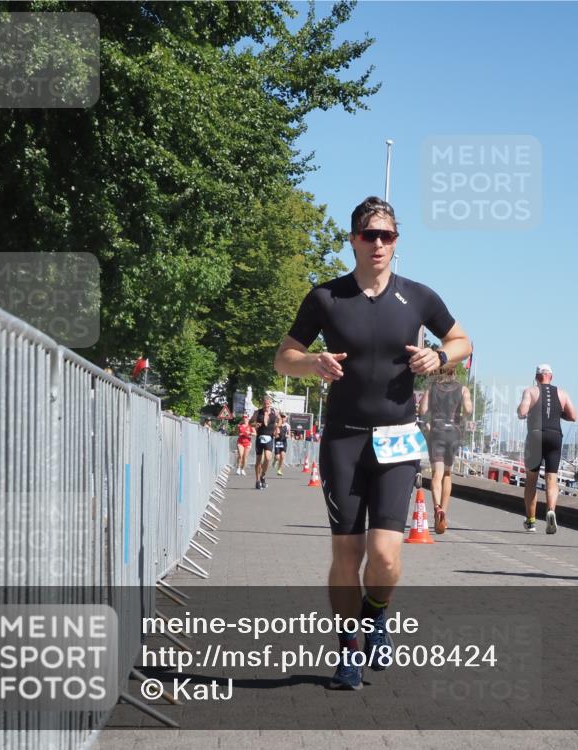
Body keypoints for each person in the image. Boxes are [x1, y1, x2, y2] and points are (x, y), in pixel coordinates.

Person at [274, 196, 471, 690]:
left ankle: (377, 613)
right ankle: (348, 653)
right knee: (347, 553)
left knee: (384, 554)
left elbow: (463, 341)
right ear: (354, 240)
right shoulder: (326, 297)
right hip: (343, 440)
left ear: (396, 242)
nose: (378, 243)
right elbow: (283, 357)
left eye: (386, 235)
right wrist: (311, 363)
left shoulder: (419, 297)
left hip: (398, 441)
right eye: (369, 234)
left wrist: (439, 356)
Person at [517, 364, 577, 534]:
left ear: (537, 377)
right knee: (552, 479)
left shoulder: (531, 391)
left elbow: (522, 411)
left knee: (531, 481)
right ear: (551, 377)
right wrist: (559, 414)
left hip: (536, 436)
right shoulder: (562, 393)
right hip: (554, 436)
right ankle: (551, 510)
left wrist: (521, 411)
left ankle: (531, 522)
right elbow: (573, 416)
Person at [418, 364, 472, 534]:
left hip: (437, 431)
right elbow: (469, 410)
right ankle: (445, 513)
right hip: (453, 433)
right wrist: (462, 415)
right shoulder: (463, 389)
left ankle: (437, 509)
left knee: (437, 474)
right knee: (448, 474)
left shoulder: (431, 387)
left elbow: (422, 410)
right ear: (454, 372)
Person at [251, 395, 279, 490]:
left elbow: (280, 421)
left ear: (270, 404)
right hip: (260, 437)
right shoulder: (257, 412)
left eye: (268, 404)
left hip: (269, 438)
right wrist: (255, 424)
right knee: (258, 460)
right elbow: (250, 422)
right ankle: (258, 480)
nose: (266, 406)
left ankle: (263, 475)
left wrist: (276, 429)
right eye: (265, 404)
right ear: (262, 404)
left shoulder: (275, 412)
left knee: (267, 458)